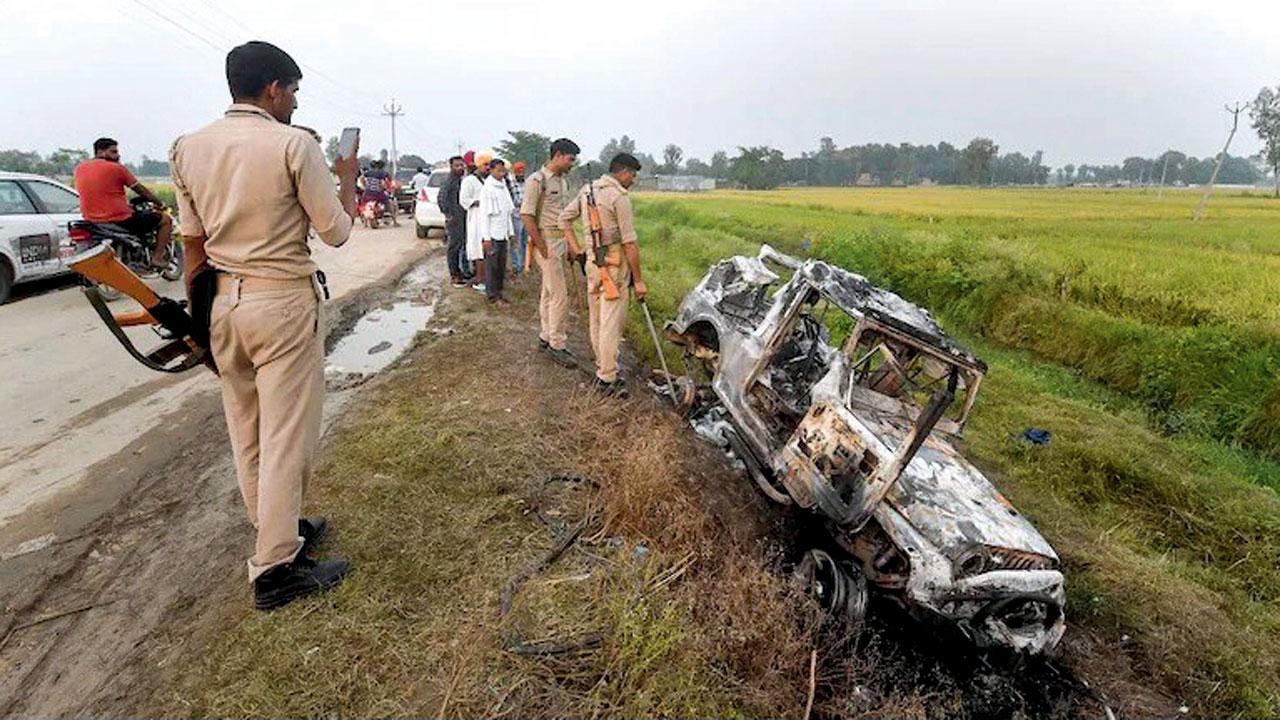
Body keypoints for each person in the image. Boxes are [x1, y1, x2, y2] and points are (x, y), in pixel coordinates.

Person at [169, 40, 359, 610]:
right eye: (294, 90)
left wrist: (195, 322)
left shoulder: (186, 148)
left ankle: (278, 531)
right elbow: (337, 231)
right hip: (280, 303)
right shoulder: (294, 145)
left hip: (223, 305)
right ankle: (276, 569)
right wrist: (345, 175)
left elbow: (193, 246)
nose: (297, 102)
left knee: (247, 432)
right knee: (285, 437)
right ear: (273, 89)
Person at [559, 152, 645, 397]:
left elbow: (563, 219)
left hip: (593, 264)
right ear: (624, 172)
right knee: (610, 325)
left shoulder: (588, 190)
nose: (634, 180)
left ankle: (602, 366)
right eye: (633, 175)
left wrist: (577, 249)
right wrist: (638, 280)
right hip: (614, 265)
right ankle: (607, 376)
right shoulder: (619, 197)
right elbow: (630, 243)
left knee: (597, 319)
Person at [520, 138, 580, 368]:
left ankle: (546, 336)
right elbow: (526, 215)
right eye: (570, 159)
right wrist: (541, 246)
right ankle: (557, 344)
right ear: (558, 155)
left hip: (559, 241)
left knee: (548, 293)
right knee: (559, 296)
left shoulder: (563, 182)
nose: (572, 164)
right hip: (546, 242)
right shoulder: (537, 181)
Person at [73, 137, 174, 274]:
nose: (118, 155)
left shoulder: (79, 169)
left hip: (91, 220)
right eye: (113, 152)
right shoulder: (117, 168)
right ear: (101, 152)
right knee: (165, 220)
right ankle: (157, 257)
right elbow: (140, 189)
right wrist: (159, 202)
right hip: (120, 220)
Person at [479, 158, 514, 306]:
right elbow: (484, 216)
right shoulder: (487, 188)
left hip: (503, 233)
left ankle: (499, 292)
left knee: (501, 266)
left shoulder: (503, 186)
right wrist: (486, 238)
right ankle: (492, 295)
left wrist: (510, 232)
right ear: (491, 170)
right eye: (498, 170)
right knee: (492, 267)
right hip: (492, 234)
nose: (501, 173)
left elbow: (507, 213)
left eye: (503, 170)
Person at [460, 153, 491, 292]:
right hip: (476, 217)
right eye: (485, 165)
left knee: (488, 249)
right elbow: (464, 200)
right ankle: (480, 280)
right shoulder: (469, 181)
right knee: (478, 250)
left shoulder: (489, 180)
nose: (488, 168)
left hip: (488, 218)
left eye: (489, 165)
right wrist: (479, 202)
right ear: (478, 165)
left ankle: (487, 278)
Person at [438, 155, 468, 286]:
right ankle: (454, 274)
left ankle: (461, 272)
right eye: (457, 165)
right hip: (454, 218)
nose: (460, 167)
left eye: (461, 165)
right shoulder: (449, 181)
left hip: (462, 217)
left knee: (461, 244)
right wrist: (448, 214)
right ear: (451, 167)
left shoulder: (461, 180)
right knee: (454, 247)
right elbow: (441, 198)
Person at [507, 161, 527, 275]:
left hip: (526, 215)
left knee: (525, 241)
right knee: (515, 242)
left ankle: (525, 264)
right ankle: (516, 265)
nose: (521, 173)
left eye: (522, 171)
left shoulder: (526, 182)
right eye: (519, 171)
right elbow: (513, 200)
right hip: (515, 215)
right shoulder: (510, 182)